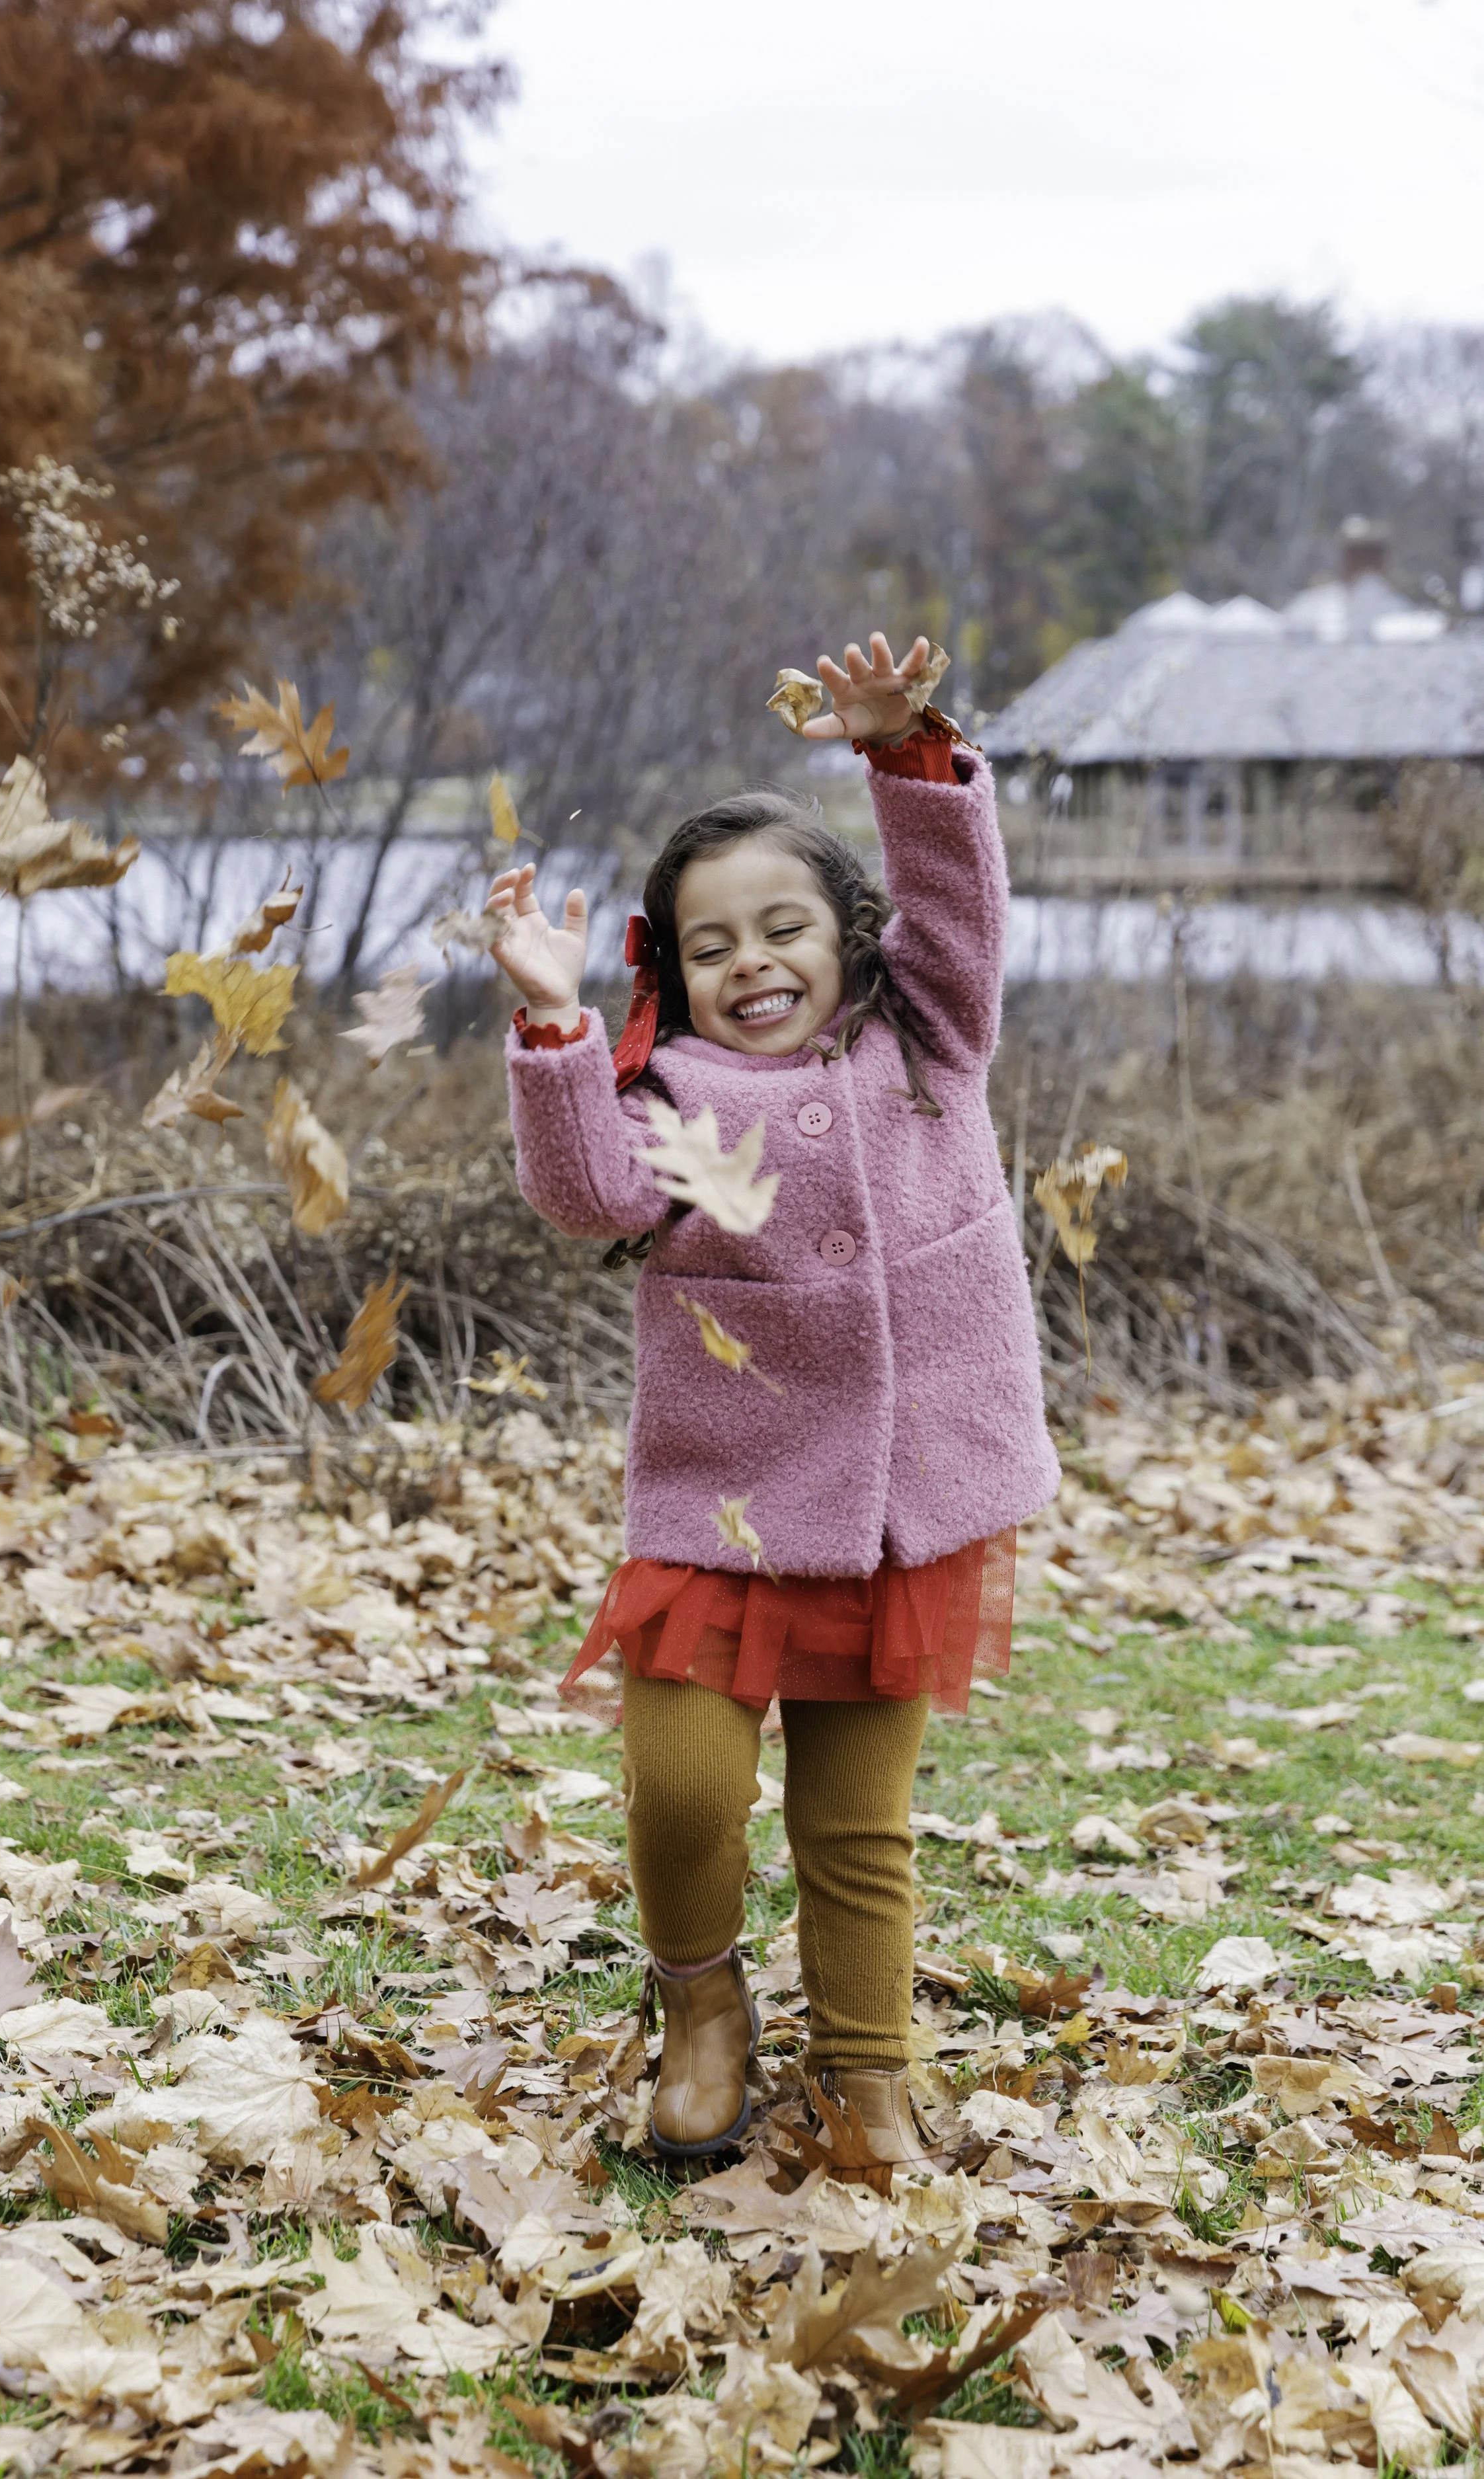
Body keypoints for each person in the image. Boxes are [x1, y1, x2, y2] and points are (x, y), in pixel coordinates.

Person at [487, 631, 1059, 2170]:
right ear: (668, 972)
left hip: (895, 1506)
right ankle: (701, 2010)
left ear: (848, 935)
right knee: (683, 1791)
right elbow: (585, 1195)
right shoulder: (664, 1097)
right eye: (713, 945)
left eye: (784, 928)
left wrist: (907, 759)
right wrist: (551, 1027)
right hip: (722, 1500)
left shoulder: (925, 1034)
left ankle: (868, 2080)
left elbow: (956, 902)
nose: (754, 964)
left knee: (853, 1830)